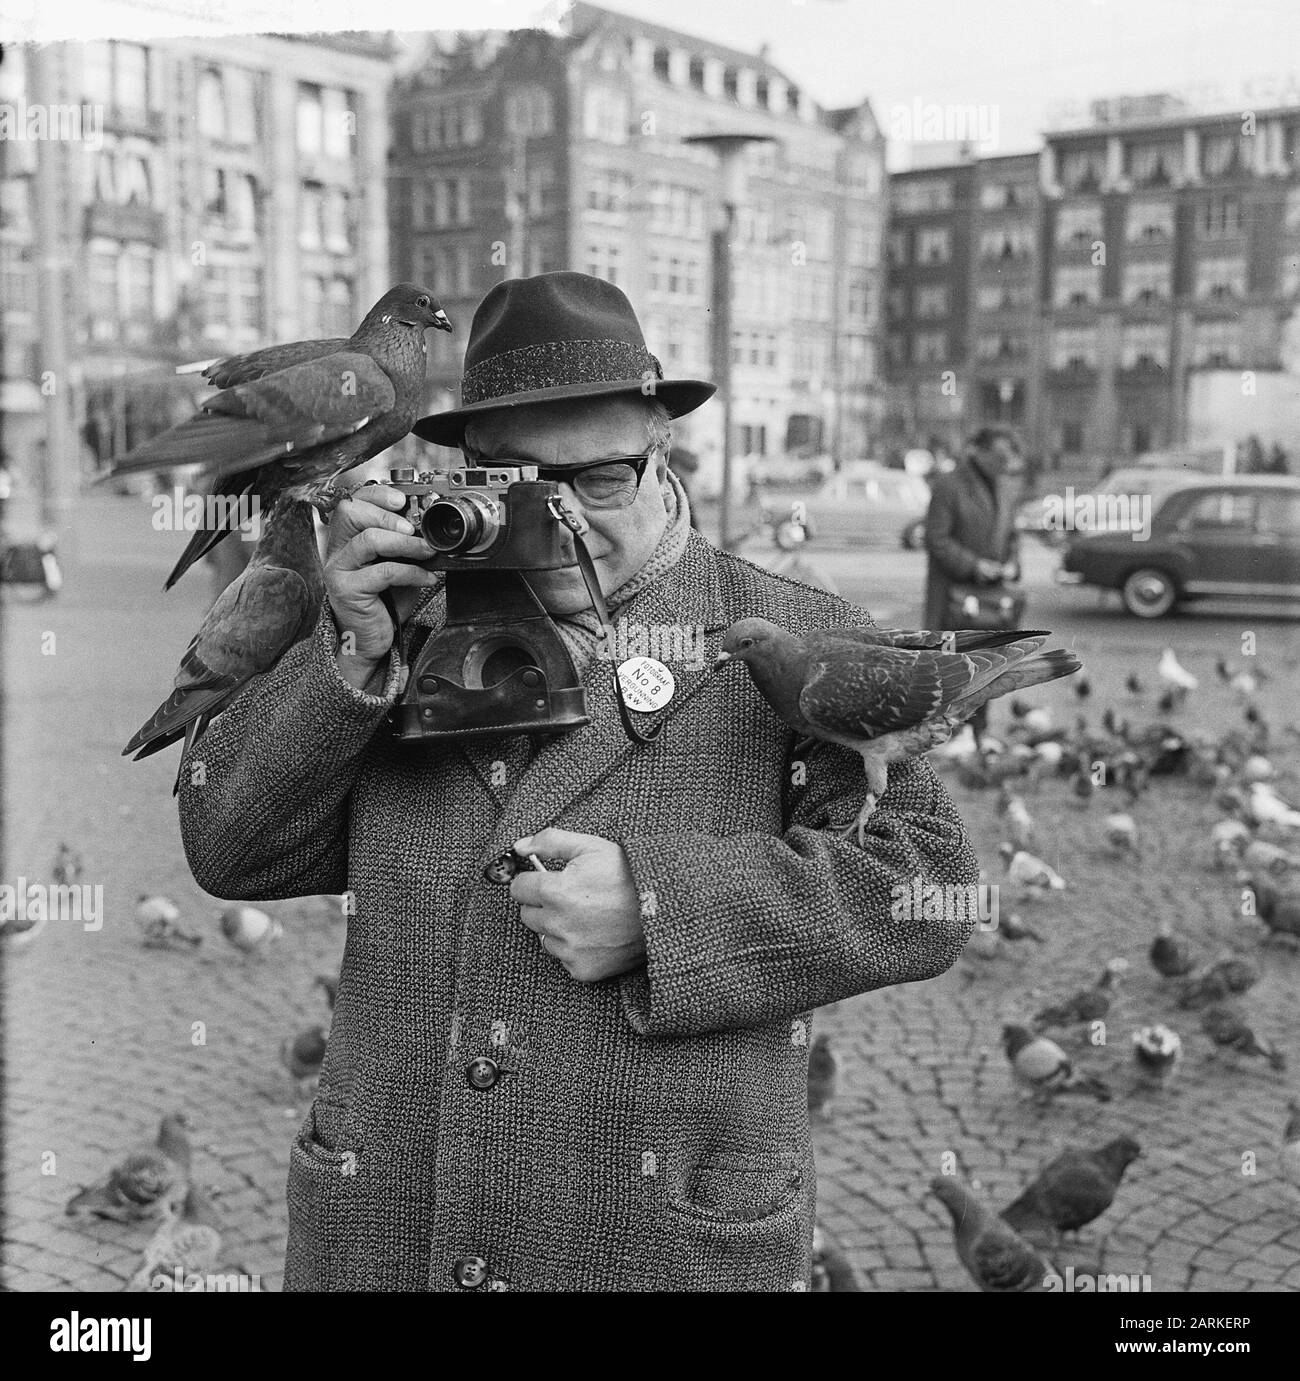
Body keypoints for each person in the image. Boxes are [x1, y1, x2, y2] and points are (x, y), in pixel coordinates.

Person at [178, 272, 977, 1293]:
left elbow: (923, 886)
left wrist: (660, 911)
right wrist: (344, 664)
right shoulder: (399, 616)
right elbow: (228, 849)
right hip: (388, 1234)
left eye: (600, 479)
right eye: (517, 483)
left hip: (652, 1240)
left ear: (663, 458)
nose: (563, 520)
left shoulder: (788, 632)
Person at [922, 426, 1026, 745]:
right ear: (976, 452)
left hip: (993, 599)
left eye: (1009, 457)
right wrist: (974, 565)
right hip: (954, 599)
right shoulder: (949, 485)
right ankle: (949, 735)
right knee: (954, 667)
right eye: (999, 456)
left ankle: (978, 732)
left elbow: (1011, 535)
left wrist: (1011, 562)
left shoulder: (1006, 487)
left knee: (989, 666)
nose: (1005, 463)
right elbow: (936, 539)